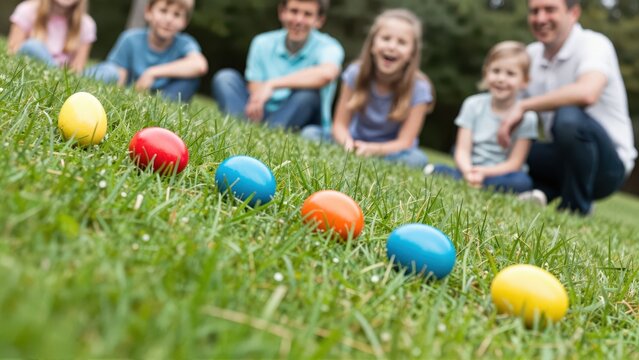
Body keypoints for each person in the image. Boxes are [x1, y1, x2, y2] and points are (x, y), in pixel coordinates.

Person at [498, 0, 637, 214]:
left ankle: (576, 208)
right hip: (562, 158)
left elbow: (587, 93)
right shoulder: (531, 55)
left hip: (608, 167)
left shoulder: (594, 44)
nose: (540, 18)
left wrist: (523, 106)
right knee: (499, 147)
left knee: (568, 117)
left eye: (550, 10)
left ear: (573, 13)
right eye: (534, 11)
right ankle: (540, 192)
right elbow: (507, 107)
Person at [301, 9, 433, 169]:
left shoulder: (420, 89)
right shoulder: (354, 74)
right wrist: (347, 144)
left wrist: (374, 150)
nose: (392, 46)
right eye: (386, 38)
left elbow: (405, 142)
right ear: (372, 45)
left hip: (391, 152)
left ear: (412, 53)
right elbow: (339, 125)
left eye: (402, 42)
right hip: (353, 141)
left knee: (416, 160)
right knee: (310, 134)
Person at [211, 0, 344, 132]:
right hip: (263, 112)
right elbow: (255, 86)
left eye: (307, 14)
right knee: (225, 78)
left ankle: (267, 131)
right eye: (294, 11)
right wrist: (256, 103)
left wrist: (272, 84)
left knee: (307, 95)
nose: (298, 20)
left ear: (319, 20)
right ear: (282, 12)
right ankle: (242, 127)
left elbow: (327, 74)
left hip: (303, 117)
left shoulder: (330, 47)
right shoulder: (262, 42)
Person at [427, 41, 538, 193]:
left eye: (510, 74)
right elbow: (462, 150)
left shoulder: (528, 117)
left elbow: (515, 163)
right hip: (470, 167)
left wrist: (484, 173)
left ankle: (467, 181)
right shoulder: (472, 104)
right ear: (486, 73)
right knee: (449, 163)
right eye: (496, 71)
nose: (501, 79)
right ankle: (468, 180)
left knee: (522, 182)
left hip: (501, 174)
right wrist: (468, 171)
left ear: (525, 81)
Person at [85, 0, 208, 102]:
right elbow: (119, 75)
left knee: (189, 81)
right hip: (131, 93)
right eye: (163, 11)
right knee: (109, 71)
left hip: (165, 97)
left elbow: (200, 65)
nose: (169, 19)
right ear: (149, 12)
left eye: (177, 15)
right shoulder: (130, 39)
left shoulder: (185, 43)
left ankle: (162, 108)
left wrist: (152, 72)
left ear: (184, 22)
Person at [7, 0, 96, 73]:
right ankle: (57, 73)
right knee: (33, 46)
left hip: (65, 72)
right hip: (32, 65)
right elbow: (13, 51)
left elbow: (77, 68)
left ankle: (57, 73)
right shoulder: (27, 10)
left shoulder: (86, 24)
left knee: (108, 71)